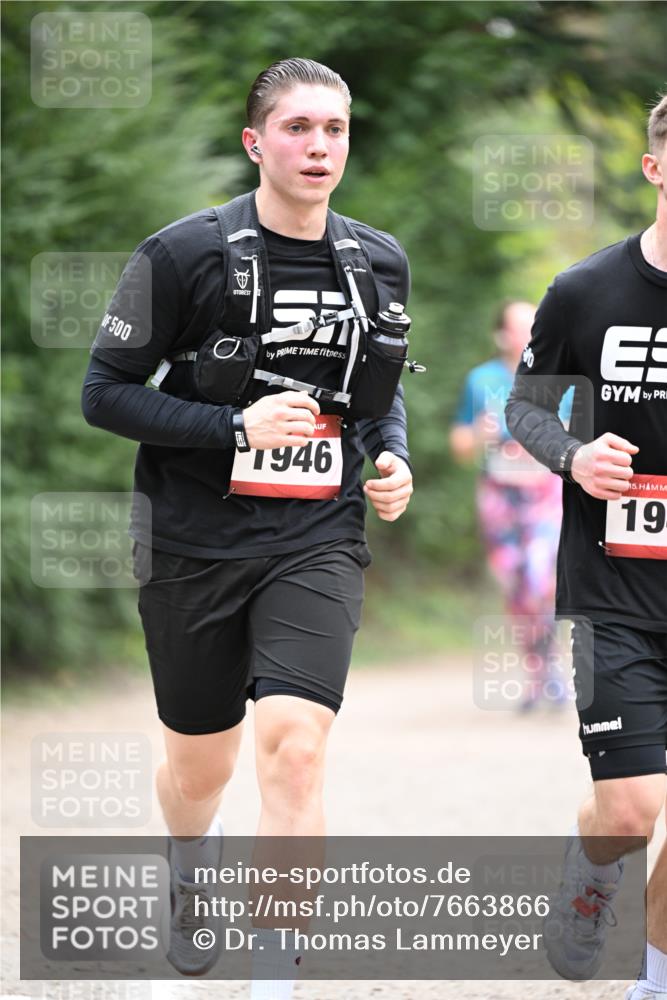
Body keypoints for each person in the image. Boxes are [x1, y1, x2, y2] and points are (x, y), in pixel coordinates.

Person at [81, 57, 414, 997]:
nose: (318, 147)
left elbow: (375, 404)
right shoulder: (180, 253)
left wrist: (391, 459)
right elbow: (102, 395)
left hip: (317, 536)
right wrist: (231, 425)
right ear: (255, 142)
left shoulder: (377, 260)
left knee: (297, 749)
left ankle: (275, 976)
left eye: (335, 130)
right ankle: (190, 864)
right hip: (191, 539)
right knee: (198, 769)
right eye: (299, 128)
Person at [505, 94, 667, 999]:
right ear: (653, 169)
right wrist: (575, 455)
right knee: (631, 807)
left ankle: (652, 981)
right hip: (615, 587)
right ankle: (593, 864)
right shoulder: (585, 291)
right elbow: (523, 409)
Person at [450, 301, 570, 710]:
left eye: (532, 326)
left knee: (539, 578)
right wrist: (483, 434)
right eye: (517, 327)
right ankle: (540, 673)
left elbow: (580, 440)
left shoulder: (559, 377)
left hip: (545, 492)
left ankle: (551, 668)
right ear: (501, 335)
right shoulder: (480, 380)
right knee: (516, 586)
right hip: (499, 495)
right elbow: (460, 447)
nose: (525, 335)